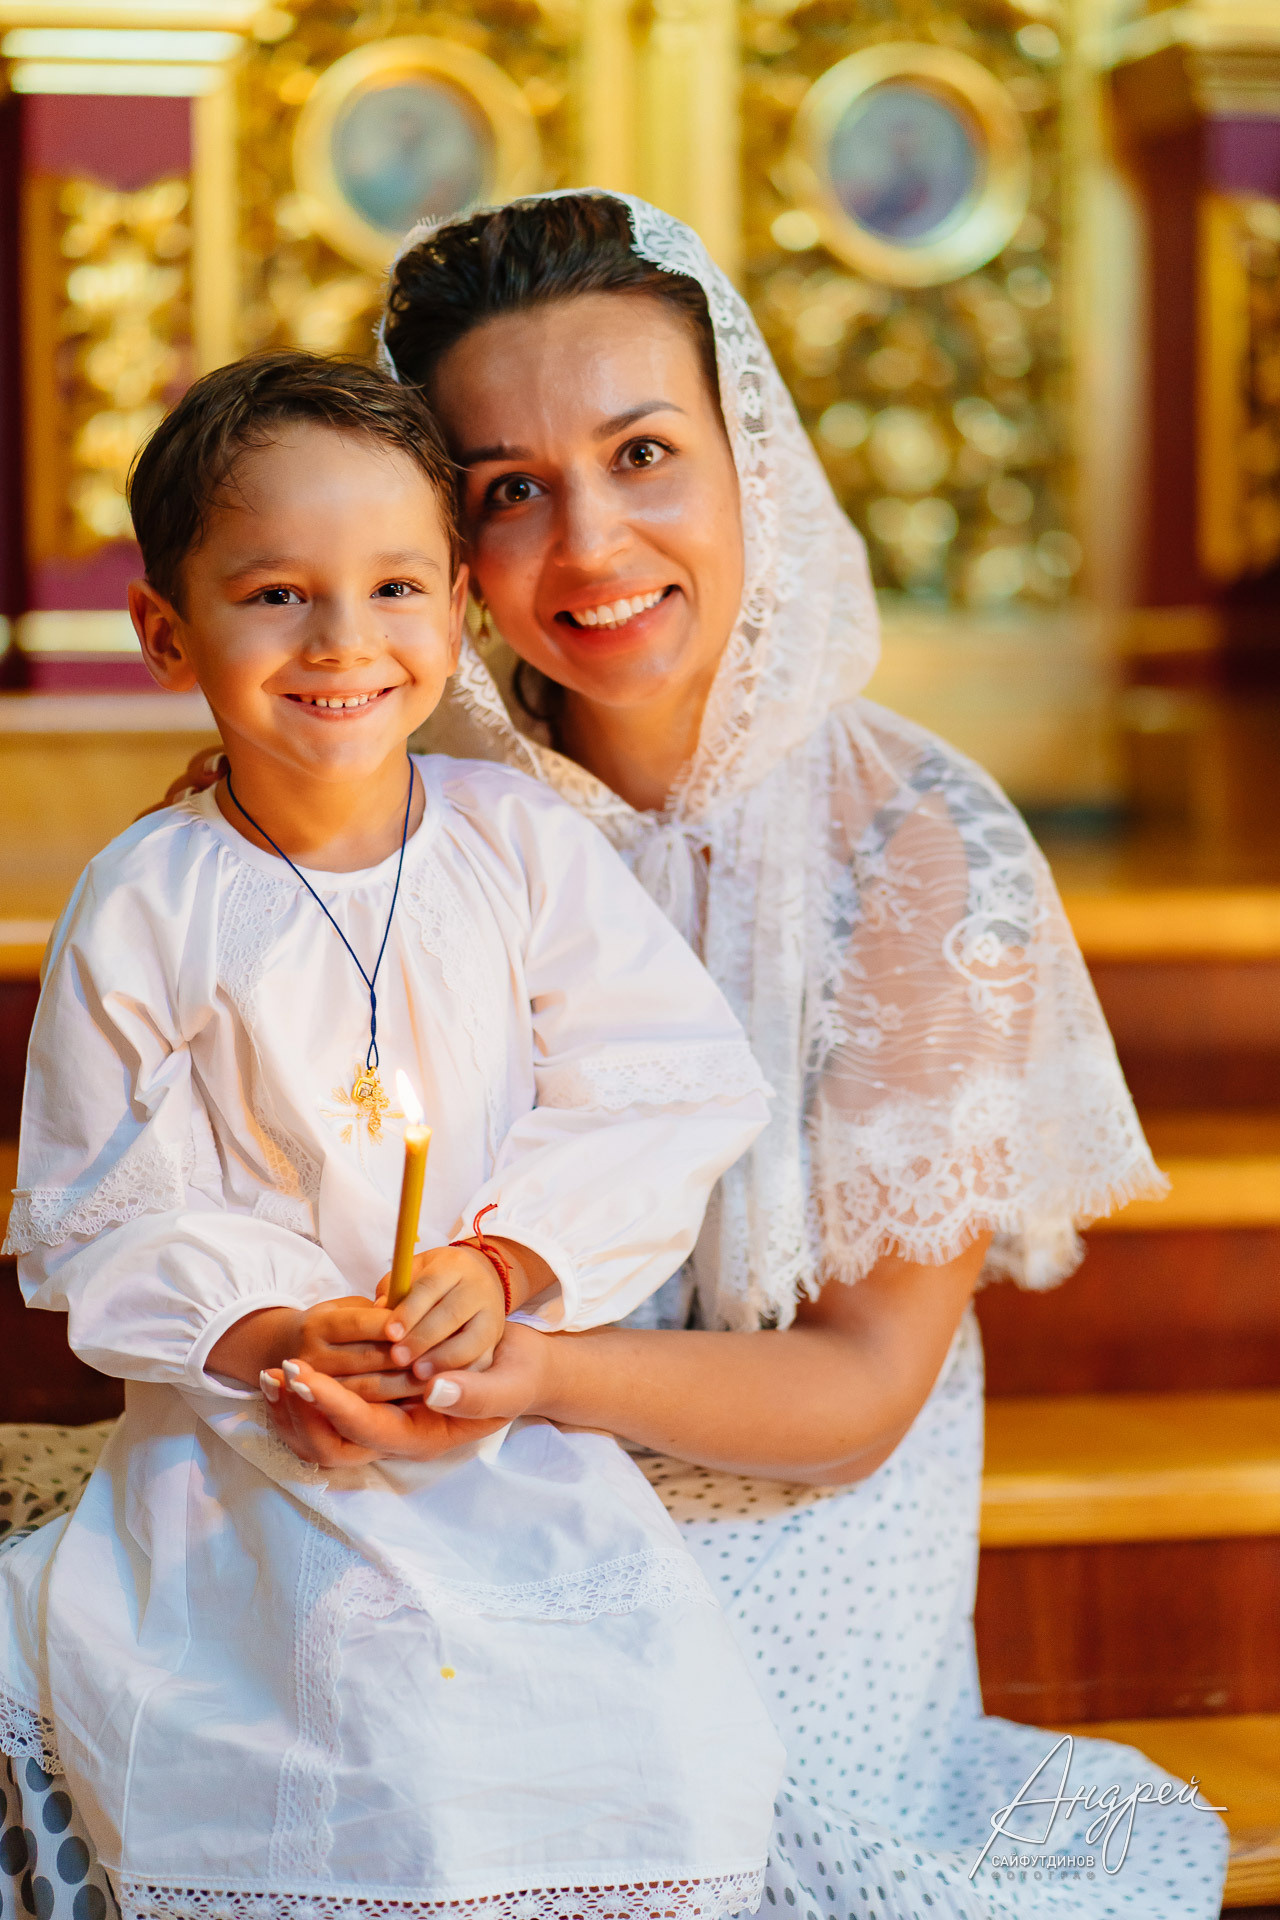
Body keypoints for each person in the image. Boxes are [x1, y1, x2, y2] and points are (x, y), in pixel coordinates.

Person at [12, 196, 1228, 1920]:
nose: (588, 544)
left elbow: (863, 1392)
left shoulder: (923, 845)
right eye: (508, 487)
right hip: (391, 1448)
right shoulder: (379, 789)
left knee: (550, 1760)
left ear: (755, 465)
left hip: (769, 1508)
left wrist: (521, 1359)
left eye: (646, 453)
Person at [0, 352, 787, 1920]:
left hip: (504, 1426)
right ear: (168, 631)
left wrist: (504, 1262)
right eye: (277, 594)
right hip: (252, 1446)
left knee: (661, 1740)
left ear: (453, 609)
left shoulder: (517, 840)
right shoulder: (147, 903)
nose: (344, 644)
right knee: (353, 1752)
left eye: (395, 587)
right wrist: (282, 1327)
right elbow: (93, 1217)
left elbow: (670, 1079)